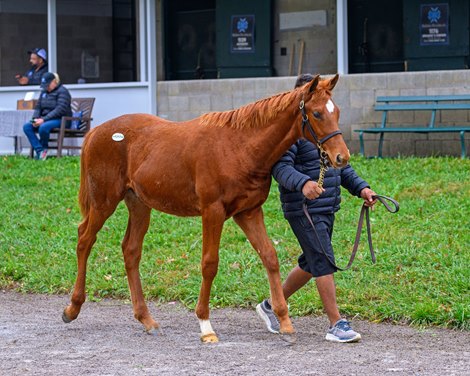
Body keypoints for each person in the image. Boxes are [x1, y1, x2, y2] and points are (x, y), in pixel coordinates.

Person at [256, 73, 377, 343]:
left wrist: (362, 189)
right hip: (303, 208)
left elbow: (342, 167)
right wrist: (303, 184)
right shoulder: (291, 134)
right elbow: (280, 168)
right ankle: (336, 323)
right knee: (323, 259)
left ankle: (270, 305)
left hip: (327, 206)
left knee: (311, 263)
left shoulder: (322, 131)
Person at [23, 72, 72, 160]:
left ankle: (44, 149)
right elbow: (38, 107)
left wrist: (43, 119)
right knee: (27, 127)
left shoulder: (63, 91)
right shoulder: (44, 92)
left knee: (43, 127)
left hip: (61, 119)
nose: (46, 88)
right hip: (45, 119)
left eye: (47, 85)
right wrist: (35, 119)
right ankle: (40, 151)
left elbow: (60, 109)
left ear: (54, 82)